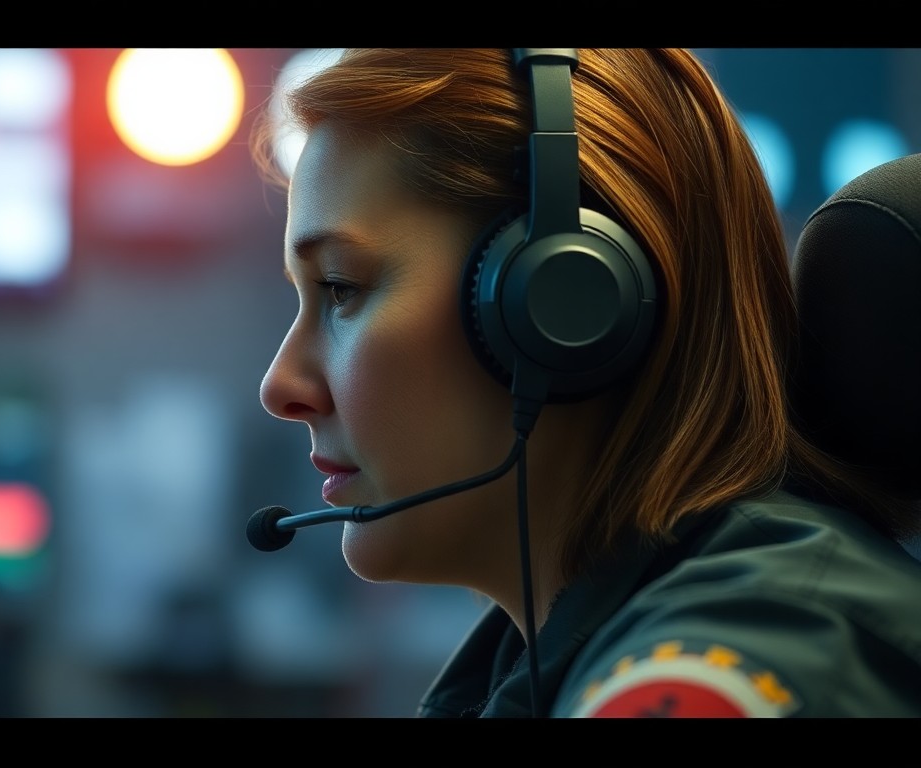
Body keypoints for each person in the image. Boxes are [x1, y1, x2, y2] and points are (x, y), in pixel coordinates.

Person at [248, 48, 921, 718]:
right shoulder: (543, 667)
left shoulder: (733, 667)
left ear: (563, 298)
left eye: (341, 288)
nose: (281, 385)